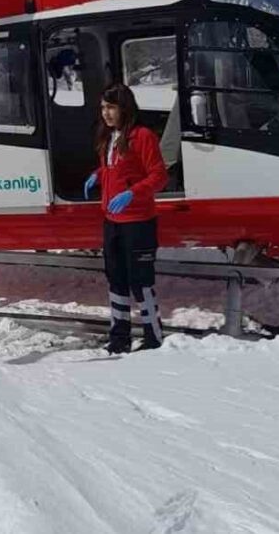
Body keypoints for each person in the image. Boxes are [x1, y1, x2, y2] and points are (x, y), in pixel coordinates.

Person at [84, 83, 169, 354]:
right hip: (112, 220)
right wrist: (100, 174)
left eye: (111, 107)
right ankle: (119, 337)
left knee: (140, 280)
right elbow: (118, 167)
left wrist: (133, 193)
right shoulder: (110, 137)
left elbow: (158, 176)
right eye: (103, 108)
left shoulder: (143, 136)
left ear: (124, 107)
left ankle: (153, 336)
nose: (106, 114)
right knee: (116, 279)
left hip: (138, 221)